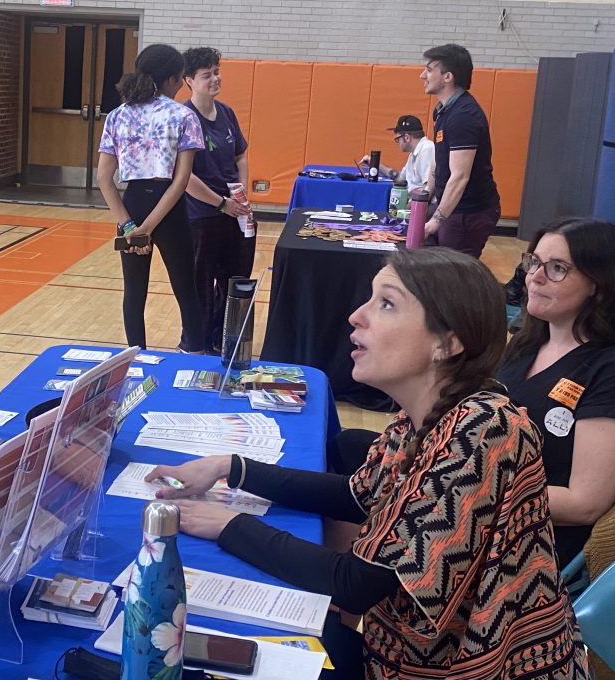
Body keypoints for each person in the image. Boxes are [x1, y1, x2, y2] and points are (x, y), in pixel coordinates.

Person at [147, 248, 588, 679]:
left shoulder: (485, 429)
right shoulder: (427, 414)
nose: (356, 315)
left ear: (447, 342)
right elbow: (356, 494)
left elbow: (357, 583)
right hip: (406, 649)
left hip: (464, 666)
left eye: (387, 303)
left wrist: (226, 525)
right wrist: (230, 466)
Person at [497, 217, 615, 569]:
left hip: (533, 547)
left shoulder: (606, 369)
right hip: (486, 515)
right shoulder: (528, 341)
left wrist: (477, 493)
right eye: (534, 262)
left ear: (597, 284)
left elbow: (584, 503)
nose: (535, 277)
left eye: (558, 268)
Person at [97, 44, 206, 352]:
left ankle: (135, 357)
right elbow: (181, 179)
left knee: (133, 293)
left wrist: (130, 226)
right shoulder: (184, 115)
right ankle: (194, 356)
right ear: (173, 79)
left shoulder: (117, 115)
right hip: (168, 209)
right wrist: (150, 226)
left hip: (131, 205)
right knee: (186, 289)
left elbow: (104, 178)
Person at [180, 47, 256, 354]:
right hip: (202, 215)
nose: (215, 78)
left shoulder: (226, 113)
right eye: (206, 74)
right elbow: (183, 176)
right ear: (188, 80)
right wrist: (220, 203)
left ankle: (223, 339)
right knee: (201, 285)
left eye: (217, 71)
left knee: (234, 281)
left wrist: (241, 196)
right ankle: (194, 344)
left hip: (235, 213)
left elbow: (240, 156)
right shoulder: (184, 118)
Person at [420, 44, 501, 258]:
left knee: (453, 278)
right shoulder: (443, 111)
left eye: (429, 70)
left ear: (448, 77)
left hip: (469, 213)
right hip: (452, 210)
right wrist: (427, 194)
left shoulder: (463, 116)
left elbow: (460, 176)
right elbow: (439, 160)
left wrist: (437, 219)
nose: (422, 75)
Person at [361, 114, 434, 192]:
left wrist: (408, 203)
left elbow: (428, 189)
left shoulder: (427, 150)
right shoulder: (414, 153)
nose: (398, 142)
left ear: (407, 138)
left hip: (419, 203)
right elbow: (399, 178)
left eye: (398, 139)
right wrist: (374, 163)